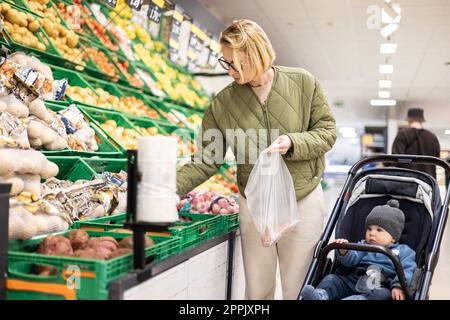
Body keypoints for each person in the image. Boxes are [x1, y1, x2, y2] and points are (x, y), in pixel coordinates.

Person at [176, 19, 336, 299]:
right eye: (226, 62)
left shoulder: (303, 82)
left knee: (299, 290)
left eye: (238, 62)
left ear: (259, 54)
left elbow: (327, 132)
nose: (231, 71)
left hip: (303, 202)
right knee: (258, 291)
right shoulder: (222, 103)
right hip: (255, 205)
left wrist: (293, 141)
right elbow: (207, 159)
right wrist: (165, 187)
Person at [300, 199, 417, 300]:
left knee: (382, 295)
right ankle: (322, 295)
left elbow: (407, 270)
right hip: (353, 280)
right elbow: (352, 260)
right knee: (332, 279)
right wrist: (344, 250)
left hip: (380, 285)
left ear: (393, 237)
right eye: (369, 229)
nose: (372, 233)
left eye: (379, 230)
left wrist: (398, 286)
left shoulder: (403, 251)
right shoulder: (363, 245)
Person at [392, 108, 440, 178]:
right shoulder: (432, 137)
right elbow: (436, 159)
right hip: (428, 181)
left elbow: (395, 158)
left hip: (408, 181)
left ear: (408, 120)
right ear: (422, 120)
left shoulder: (402, 134)